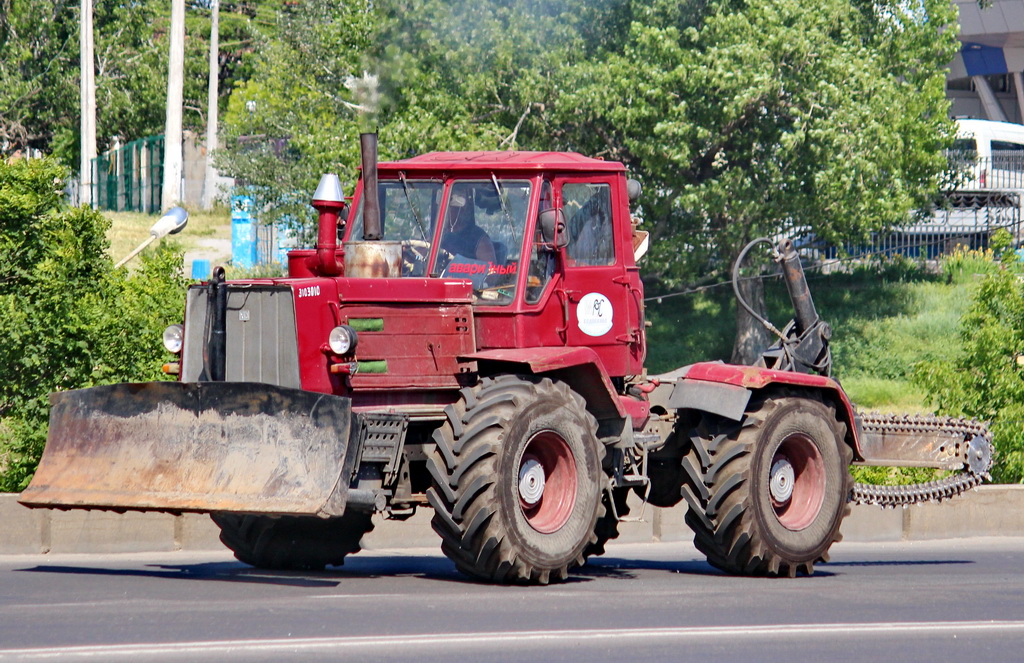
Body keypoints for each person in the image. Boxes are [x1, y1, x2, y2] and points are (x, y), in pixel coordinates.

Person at [439, 189, 496, 263]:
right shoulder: (434, 235)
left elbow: (491, 272)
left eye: (451, 205)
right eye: (442, 205)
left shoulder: (480, 240)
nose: (445, 210)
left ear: (462, 209)